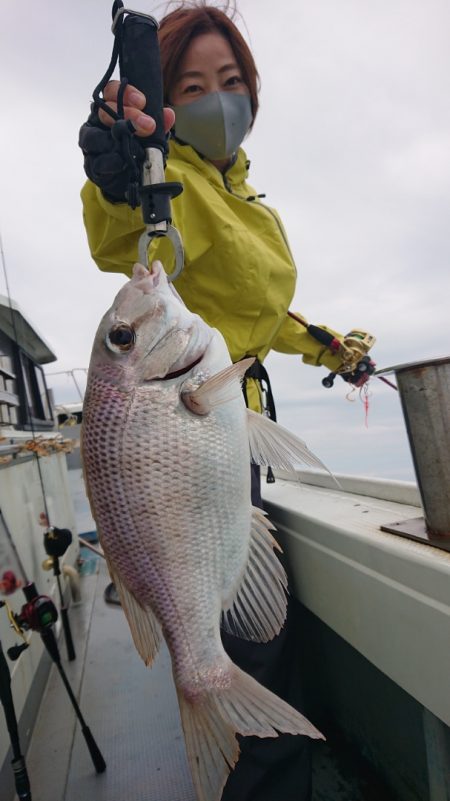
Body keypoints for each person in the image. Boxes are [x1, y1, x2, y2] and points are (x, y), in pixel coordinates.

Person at [79, 4, 373, 799]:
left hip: (224, 426)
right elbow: (122, 231)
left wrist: (333, 351)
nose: (219, 98)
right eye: (193, 86)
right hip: (204, 440)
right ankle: (256, 776)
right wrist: (115, 167)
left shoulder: (249, 201)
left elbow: (266, 311)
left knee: (256, 636)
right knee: (252, 650)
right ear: (165, 104)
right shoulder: (164, 181)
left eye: (232, 80)